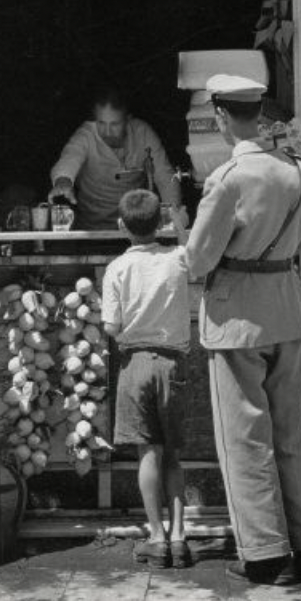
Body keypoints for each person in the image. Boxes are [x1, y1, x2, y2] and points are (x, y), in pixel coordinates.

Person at [183, 74, 301, 586]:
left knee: (245, 436)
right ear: (259, 114)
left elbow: (199, 256)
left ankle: (266, 553)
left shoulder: (228, 179)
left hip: (238, 317)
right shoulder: (299, 173)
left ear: (222, 116)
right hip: (287, 311)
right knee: (291, 433)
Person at [102, 189, 192, 570]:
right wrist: (184, 228)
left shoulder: (117, 268)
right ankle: (179, 537)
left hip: (135, 364)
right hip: (173, 364)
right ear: (162, 223)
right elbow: (197, 252)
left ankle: (155, 538)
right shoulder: (178, 258)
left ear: (122, 225)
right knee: (172, 453)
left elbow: (111, 325)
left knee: (148, 453)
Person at [49, 84, 185, 230]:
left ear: (128, 120)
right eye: (101, 123)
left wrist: (173, 222)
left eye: (114, 124)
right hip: (91, 230)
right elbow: (69, 159)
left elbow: (165, 178)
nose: (107, 132)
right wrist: (63, 181)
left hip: (136, 229)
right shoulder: (86, 135)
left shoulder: (143, 133)